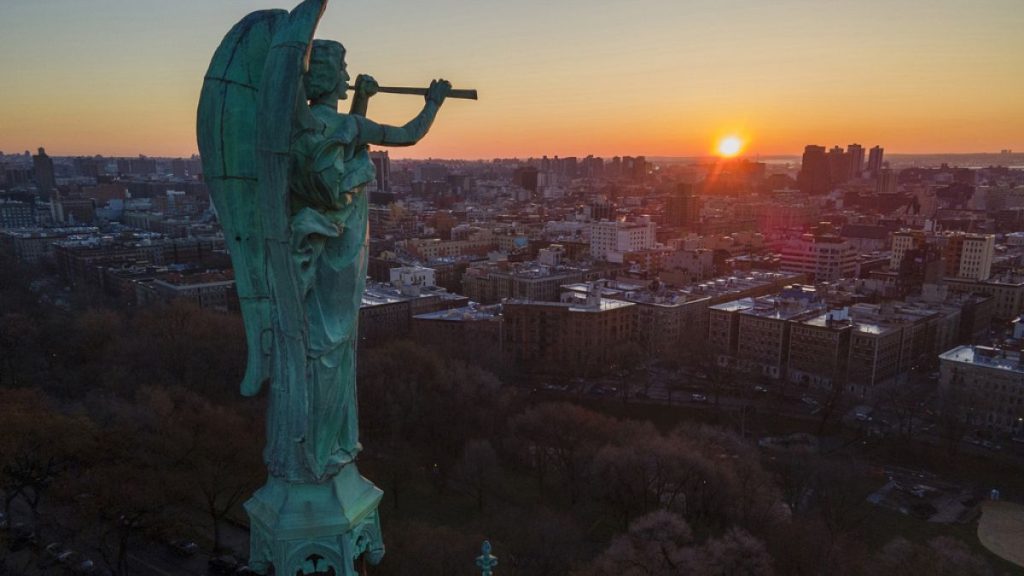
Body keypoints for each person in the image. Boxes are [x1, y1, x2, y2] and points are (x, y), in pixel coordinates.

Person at [274, 39, 451, 479]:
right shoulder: (345, 126)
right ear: (330, 76)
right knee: (333, 349)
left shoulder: (300, 127)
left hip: (322, 249)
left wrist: (363, 99)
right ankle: (323, 448)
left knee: (325, 346)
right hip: (343, 251)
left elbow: (344, 139)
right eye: (345, 70)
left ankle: (319, 441)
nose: (349, 75)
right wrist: (435, 101)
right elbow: (405, 134)